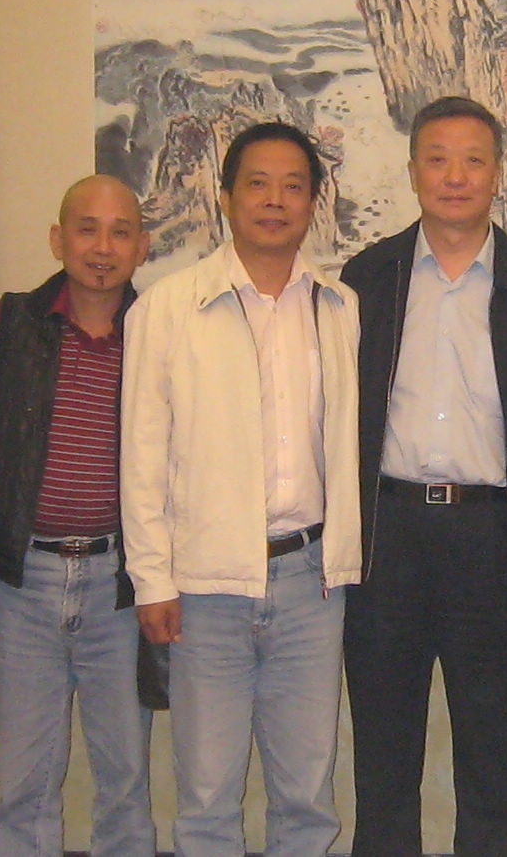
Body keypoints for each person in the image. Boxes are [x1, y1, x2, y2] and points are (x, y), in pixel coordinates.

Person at [341, 95, 507, 857]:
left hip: (493, 541)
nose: (456, 177)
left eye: (473, 161)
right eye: (438, 160)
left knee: (493, 755)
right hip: (389, 539)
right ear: (413, 171)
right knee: (384, 756)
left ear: (498, 173)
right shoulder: (366, 279)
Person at [121, 121, 362, 854]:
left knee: (307, 796)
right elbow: (141, 456)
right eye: (257, 184)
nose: (274, 201)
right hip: (205, 587)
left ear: (314, 202)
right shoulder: (169, 306)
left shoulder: (339, 306)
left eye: (293, 186)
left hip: (310, 582)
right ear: (225, 197)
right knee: (205, 795)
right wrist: (152, 580)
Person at [0, 175, 156, 857]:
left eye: (119, 232)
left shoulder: (161, 331)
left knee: (126, 780)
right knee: (25, 781)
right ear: (58, 239)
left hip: (120, 581)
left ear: (142, 247)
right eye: (87, 229)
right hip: (26, 578)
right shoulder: (6, 325)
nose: (102, 247)